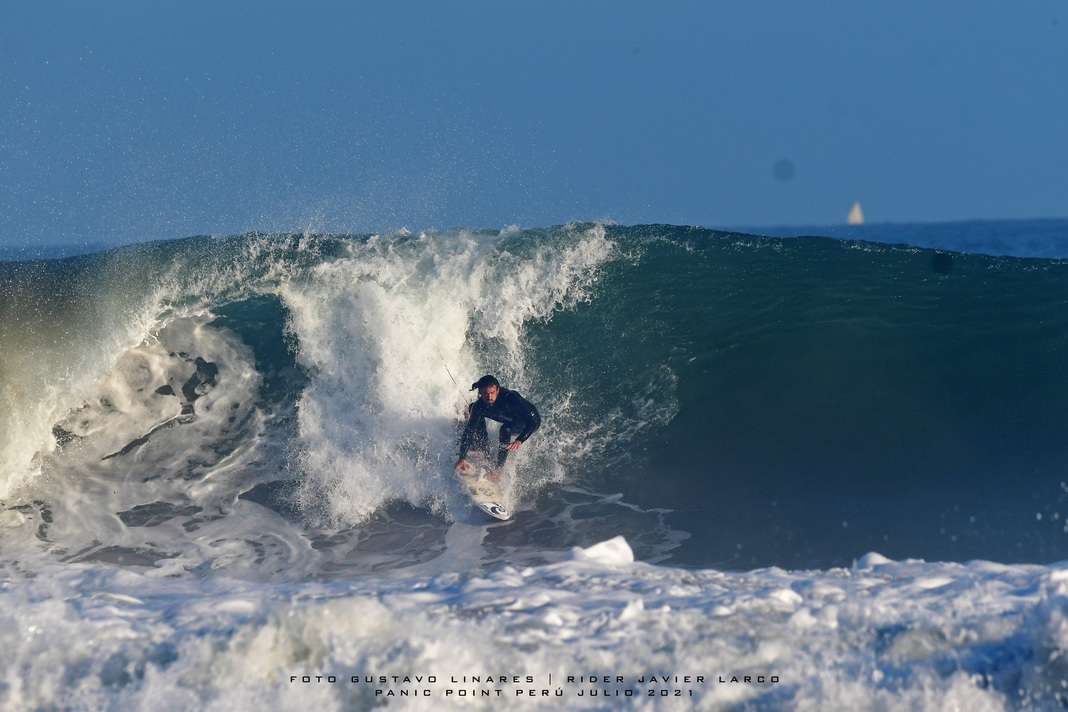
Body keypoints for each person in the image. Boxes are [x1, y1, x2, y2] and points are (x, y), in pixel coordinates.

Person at [455, 374, 541, 480]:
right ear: (480, 393)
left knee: (505, 429)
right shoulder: (480, 404)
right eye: (486, 394)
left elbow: (532, 421)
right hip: (507, 417)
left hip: (528, 422)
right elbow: (469, 431)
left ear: (498, 390)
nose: (490, 397)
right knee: (474, 408)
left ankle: (498, 470)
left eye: (492, 393)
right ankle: (484, 449)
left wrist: (520, 440)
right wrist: (461, 458)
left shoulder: (511, 398)